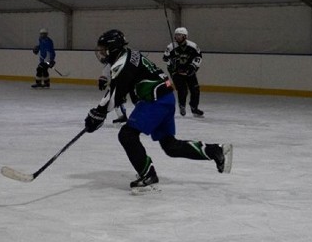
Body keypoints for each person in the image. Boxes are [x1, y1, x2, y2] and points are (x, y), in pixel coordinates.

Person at [84, 29, 232, 192]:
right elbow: (118, 90)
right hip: (165, 98)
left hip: (155, 101)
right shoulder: (128, 55)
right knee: (171, 147)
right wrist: (100, 112)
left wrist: (98, 113)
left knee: (127, 135)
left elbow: (116, 94)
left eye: (104, 49)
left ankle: (147, 175)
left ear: (113, 48)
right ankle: (215, 150)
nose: (102, 54)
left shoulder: (122, 63)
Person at [163, 26, 204, 117]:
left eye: (179, 35)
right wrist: (171, 60)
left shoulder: (193, 46)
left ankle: (194, 108)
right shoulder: (171, 47)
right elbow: (165, 58)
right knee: (182, 90)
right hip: (176, 72)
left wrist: (193, 67)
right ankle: (182, 106)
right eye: (176, 35)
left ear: (185, 36)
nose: (177, 37)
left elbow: (198, 57)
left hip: (189, 71)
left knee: (195, 90)